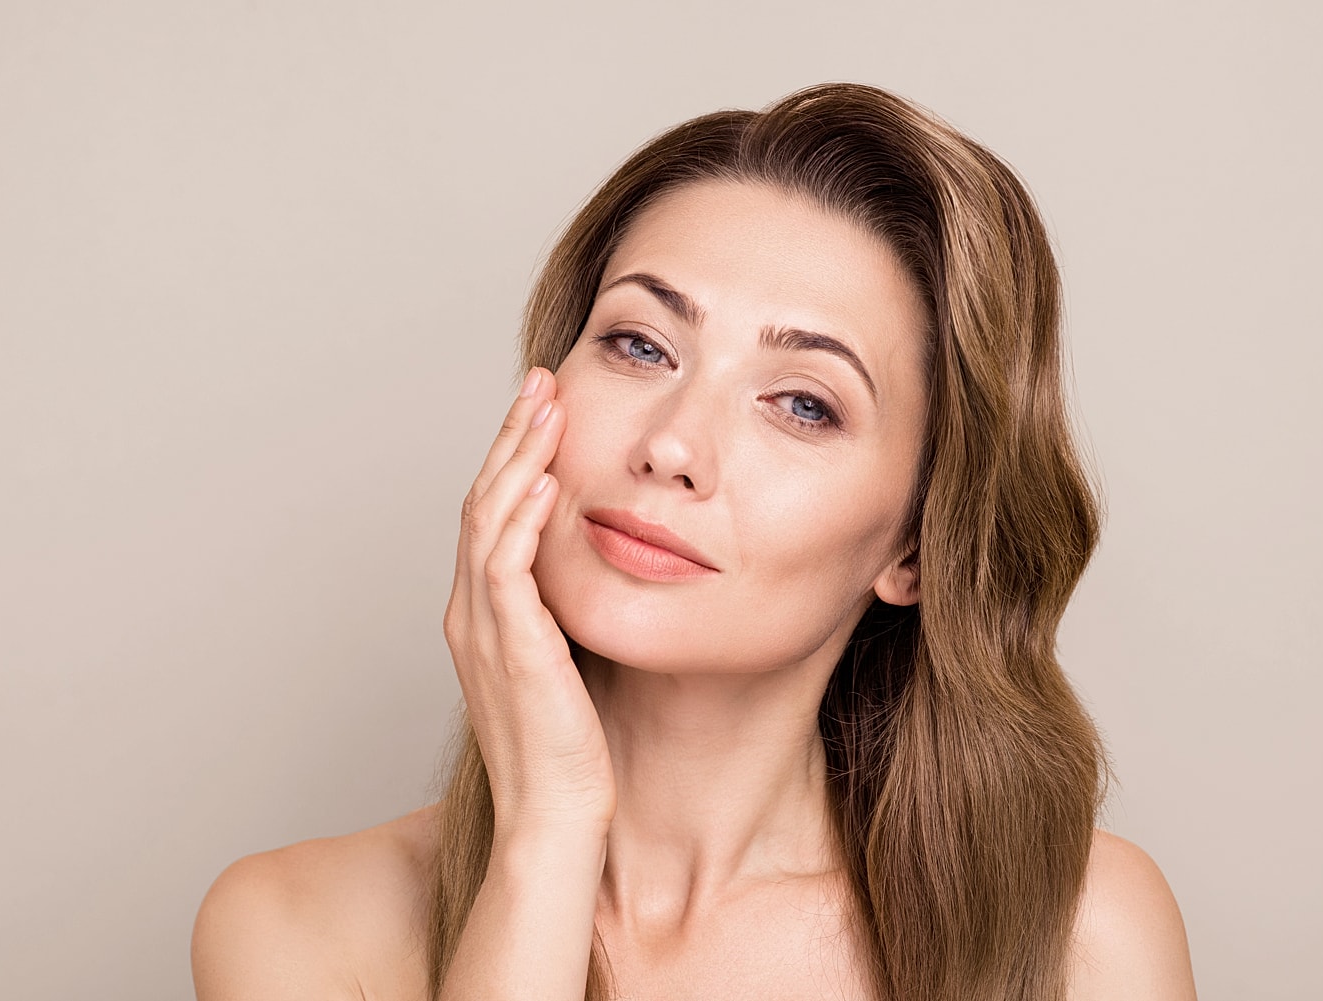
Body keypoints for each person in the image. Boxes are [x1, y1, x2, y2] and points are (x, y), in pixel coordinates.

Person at [191, 83, 1196, 1001]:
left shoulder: (1085, 936)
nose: (672, 444)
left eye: (803, 404)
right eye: (639, 344)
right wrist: (547, 832)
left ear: (917, 548)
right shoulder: (299, 928)